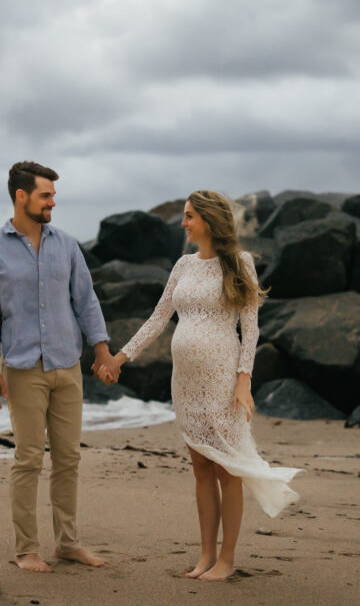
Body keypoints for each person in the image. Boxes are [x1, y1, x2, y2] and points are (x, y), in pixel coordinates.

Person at [99, 190, 302, 581]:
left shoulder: (239, 263)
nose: (184, 222)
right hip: (185, 382)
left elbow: (251, 328)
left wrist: (244, 382)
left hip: (223, 377)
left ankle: (227, 560)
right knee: (201, 468)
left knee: (228, 469)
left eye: (190, 216)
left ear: (208, 220)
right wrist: (120, 358)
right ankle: (206, 555)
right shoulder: (183, 265)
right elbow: (159, 319)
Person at [0, 161, 121, 573]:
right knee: (28, 458)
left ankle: (68, 544)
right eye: (45, 195)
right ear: (21, 197)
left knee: (69, 458)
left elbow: (86, 301)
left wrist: (103, 351)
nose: (53, 201)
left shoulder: (67, 245)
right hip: (22, 367)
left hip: (67, 364)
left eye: (53, 195)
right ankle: (27, 549)